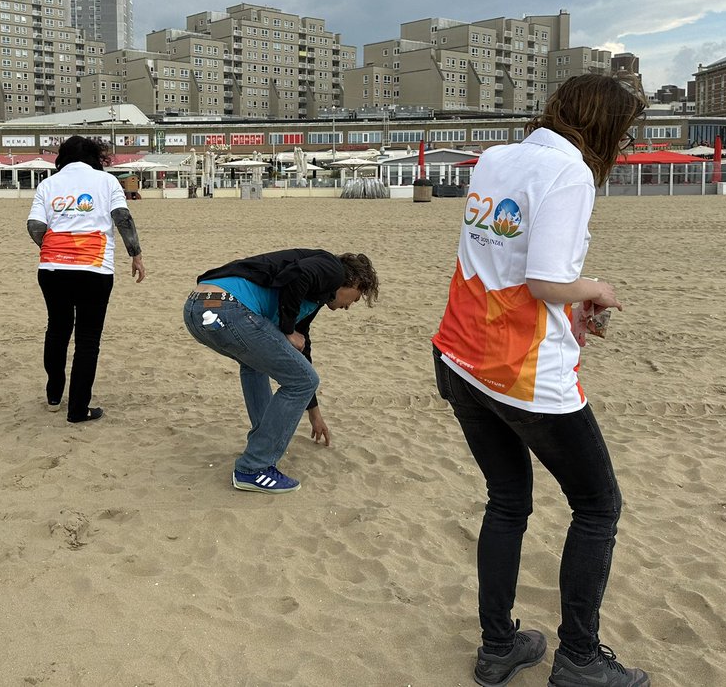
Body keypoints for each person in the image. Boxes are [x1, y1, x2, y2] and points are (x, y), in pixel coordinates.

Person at [432, 73, 650, 687]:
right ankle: (579, 658)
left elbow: (505, 258)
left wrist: (572, 308)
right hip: (521, 371)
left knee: (508, 500)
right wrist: (596, 291)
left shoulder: (499, 157)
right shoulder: (571, 173)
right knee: (598, 507)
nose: (624, 146)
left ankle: (499, 645)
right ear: (603, 126)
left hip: (459, 353)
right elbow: (545, 280)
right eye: (624, 133)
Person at [183, 249, 379, 494]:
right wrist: (287, 330)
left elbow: (300, 355)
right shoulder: (332, 269)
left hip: (198, 308)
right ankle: (254, 467)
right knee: (305, 380)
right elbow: (300, 274)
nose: (349, 307)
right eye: (356, 298)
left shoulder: (306, 301)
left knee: (260, 366)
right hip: (226, 308)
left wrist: (314, 414)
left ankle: (260, 446)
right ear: (355, 281)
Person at [27, 136, 145, 423]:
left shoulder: (48, 184)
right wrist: (136, 254)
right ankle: (78, 409)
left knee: (57, 330)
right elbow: (122, 217)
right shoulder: (106, 182)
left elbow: (34, 226)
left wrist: (54, 247)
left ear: (62, 157)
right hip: (94, 269)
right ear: (96, 156)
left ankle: (54, 396)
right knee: (88, 340)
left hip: (52, 269)